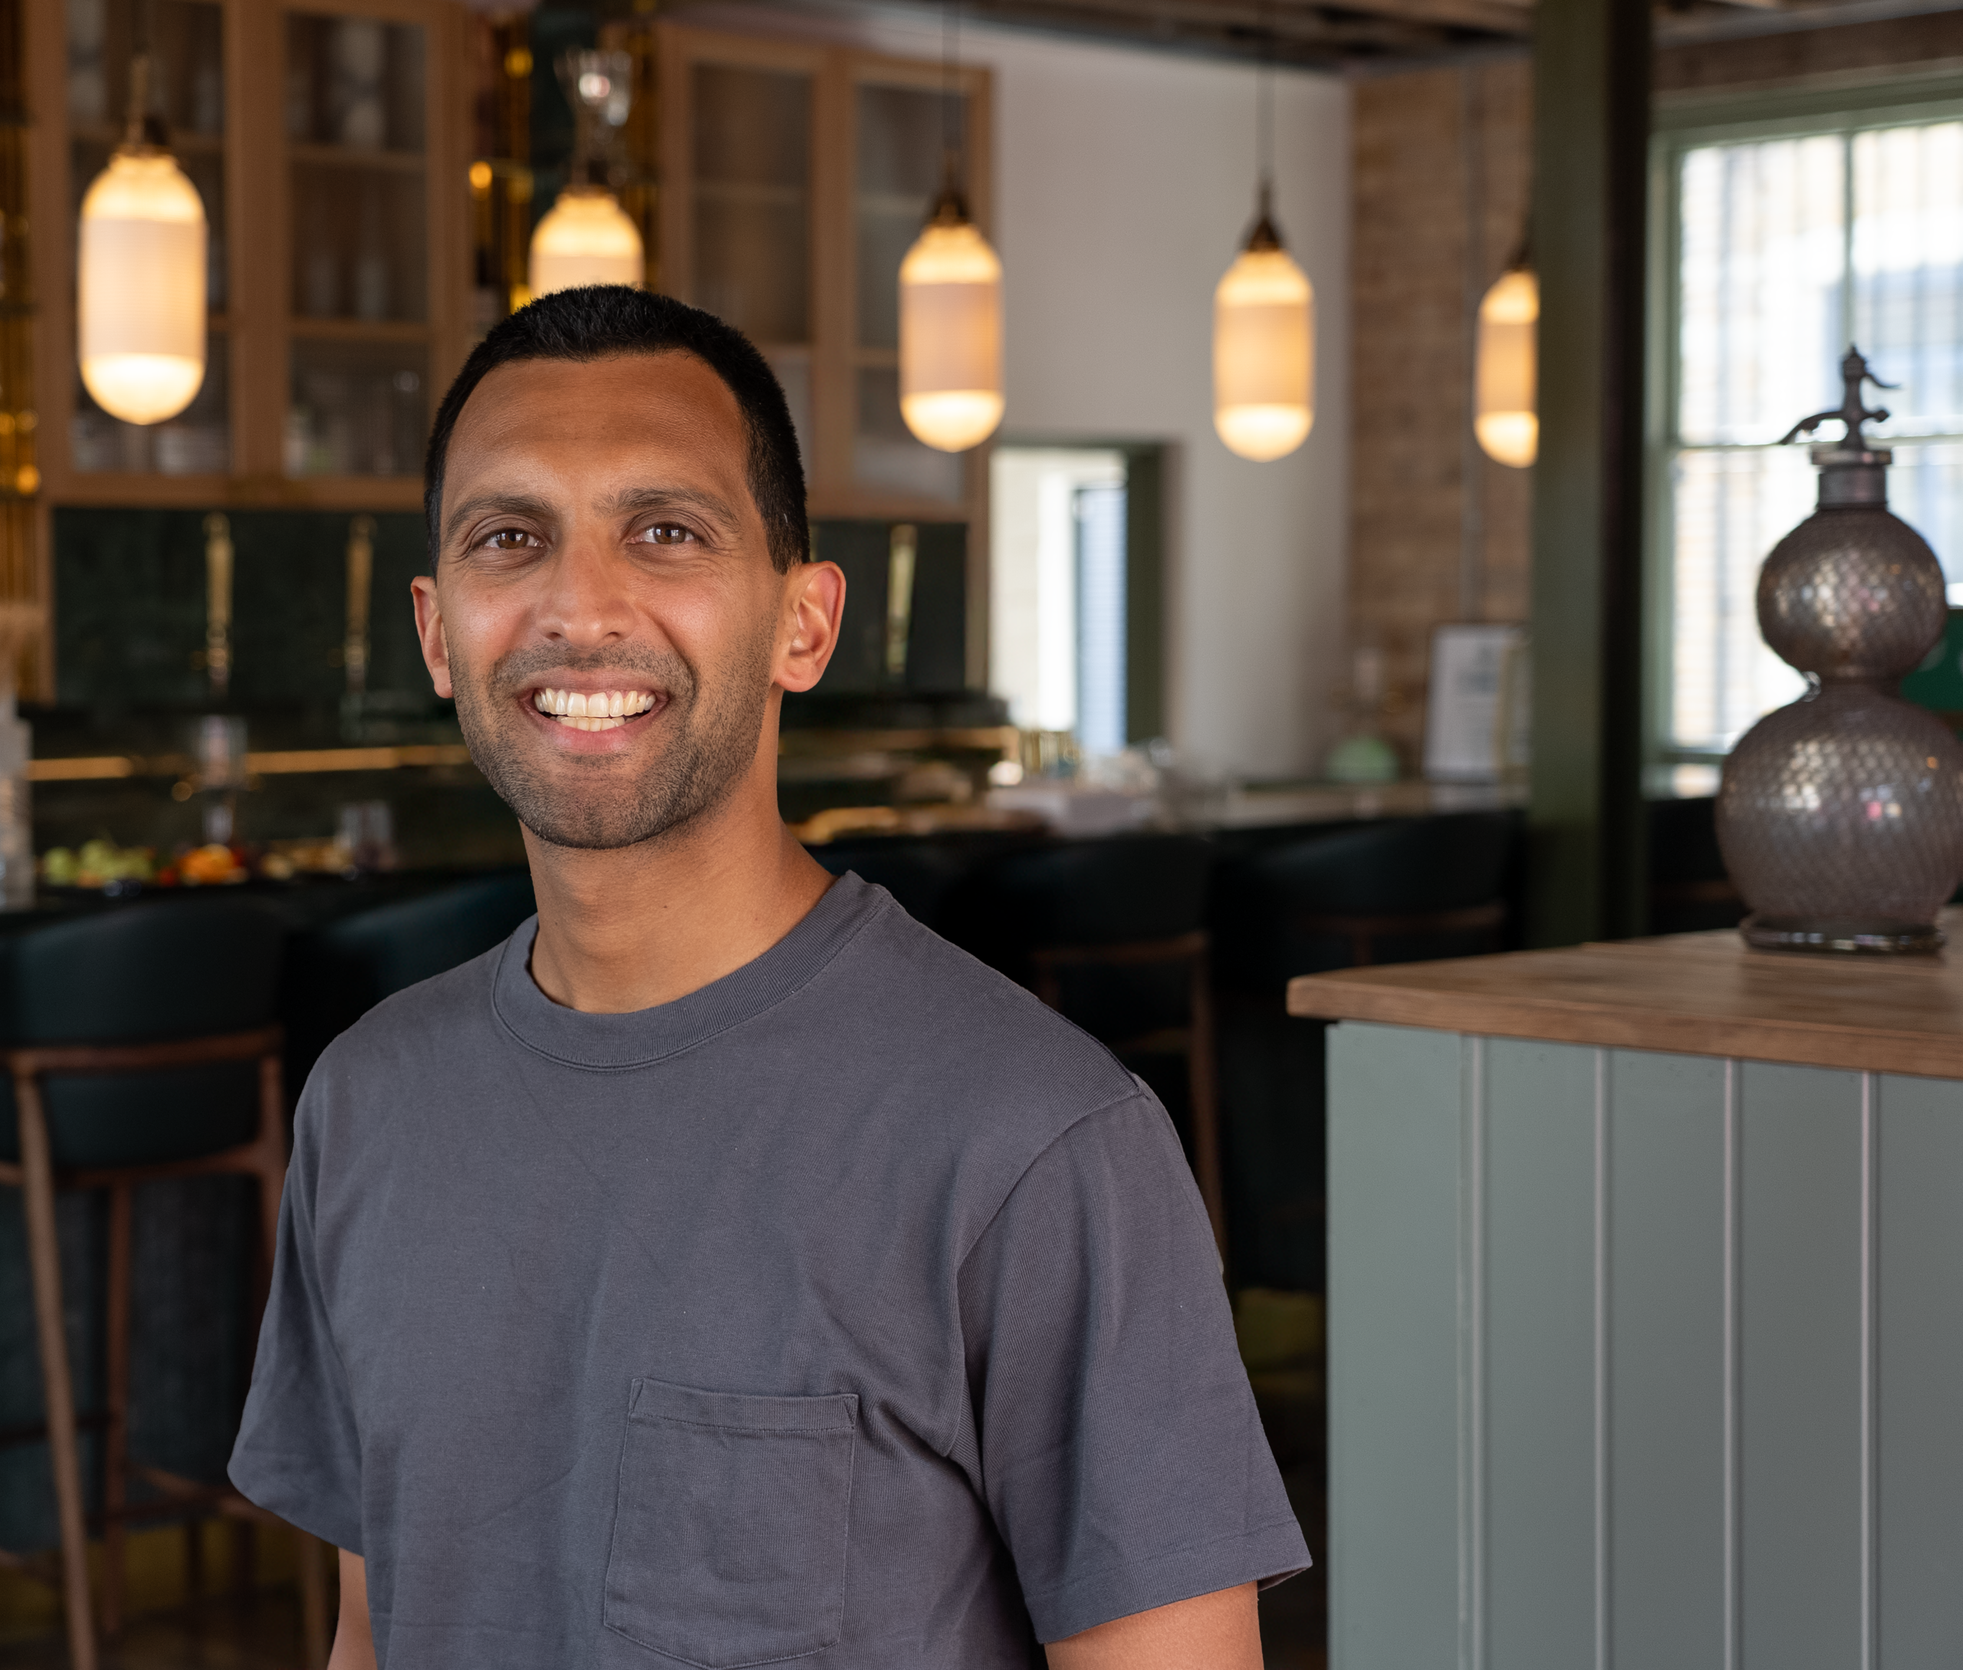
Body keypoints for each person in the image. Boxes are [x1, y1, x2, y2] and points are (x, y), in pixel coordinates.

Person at [229, 286, 1307, 1669]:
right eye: (511, 537)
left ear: (805, 621)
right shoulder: (367, 1104)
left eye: (665, 532)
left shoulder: (1038, 1143)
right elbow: (373, 1635)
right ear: (440, 634)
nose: (581, 606)